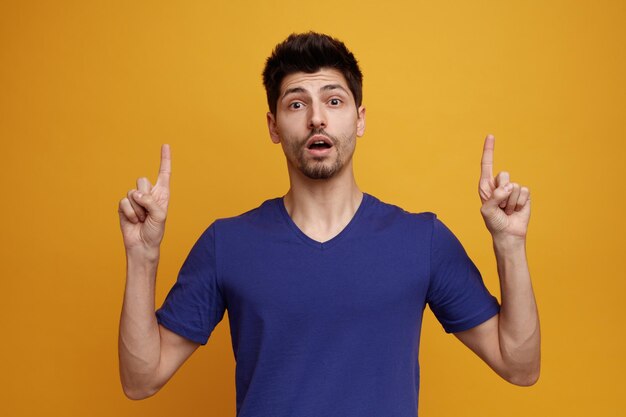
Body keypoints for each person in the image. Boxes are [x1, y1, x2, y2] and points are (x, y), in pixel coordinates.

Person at [117, 32, 540, 416]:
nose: (316, 118)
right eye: (296, 103)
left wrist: (510, 245)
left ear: (359, 119)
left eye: (333, 101)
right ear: (273, 127)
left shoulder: (421, 240)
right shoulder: (227, 244)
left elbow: (519, 366)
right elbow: (141, 380)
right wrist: (143, 255)